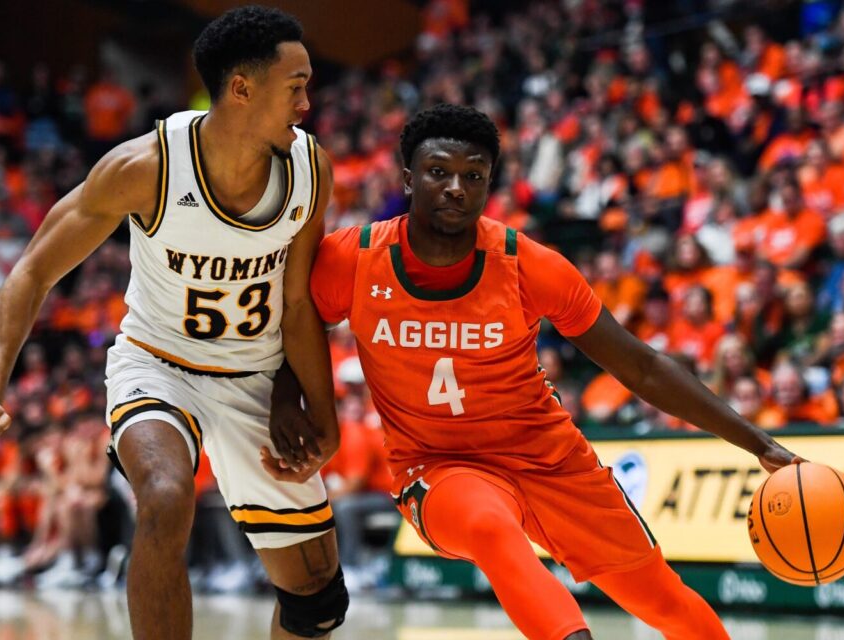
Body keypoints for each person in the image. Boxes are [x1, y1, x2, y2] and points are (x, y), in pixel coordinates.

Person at [280, 104, 802, 640]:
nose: (456, 187)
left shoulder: (529, 264)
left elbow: (642, 367)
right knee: (488, 526)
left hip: (551, 458)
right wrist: (285, 402)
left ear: (489, 185)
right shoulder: (354, 260)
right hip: (437, 465)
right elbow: (292, 329)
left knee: (666, 602)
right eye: (439, 172)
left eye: (474, 175)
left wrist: (758, 443)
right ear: (409, 179)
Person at [0, 7, 348, 639]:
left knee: (317, 601)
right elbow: (31, 271)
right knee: (164, 496)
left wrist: (316, 412)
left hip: (255, 373)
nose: (307, 101)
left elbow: (297, 306)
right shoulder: (146, 167)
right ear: (241, 88)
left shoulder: (309, 168)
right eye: (295, 85)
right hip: (159, 366)